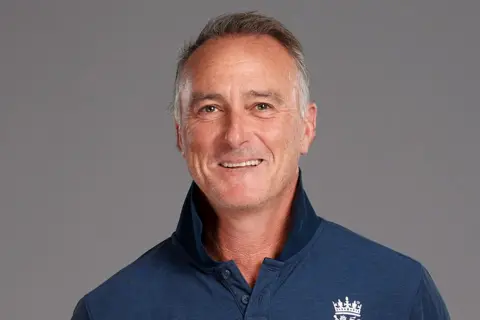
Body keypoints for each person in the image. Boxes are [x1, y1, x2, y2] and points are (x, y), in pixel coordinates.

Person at [71, 11, 450, 320]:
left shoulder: (398, 293)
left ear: (306, 126)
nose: (235, 135)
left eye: (262, 106)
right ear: (181, 135)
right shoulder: (112, 309)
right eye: (210, 109)